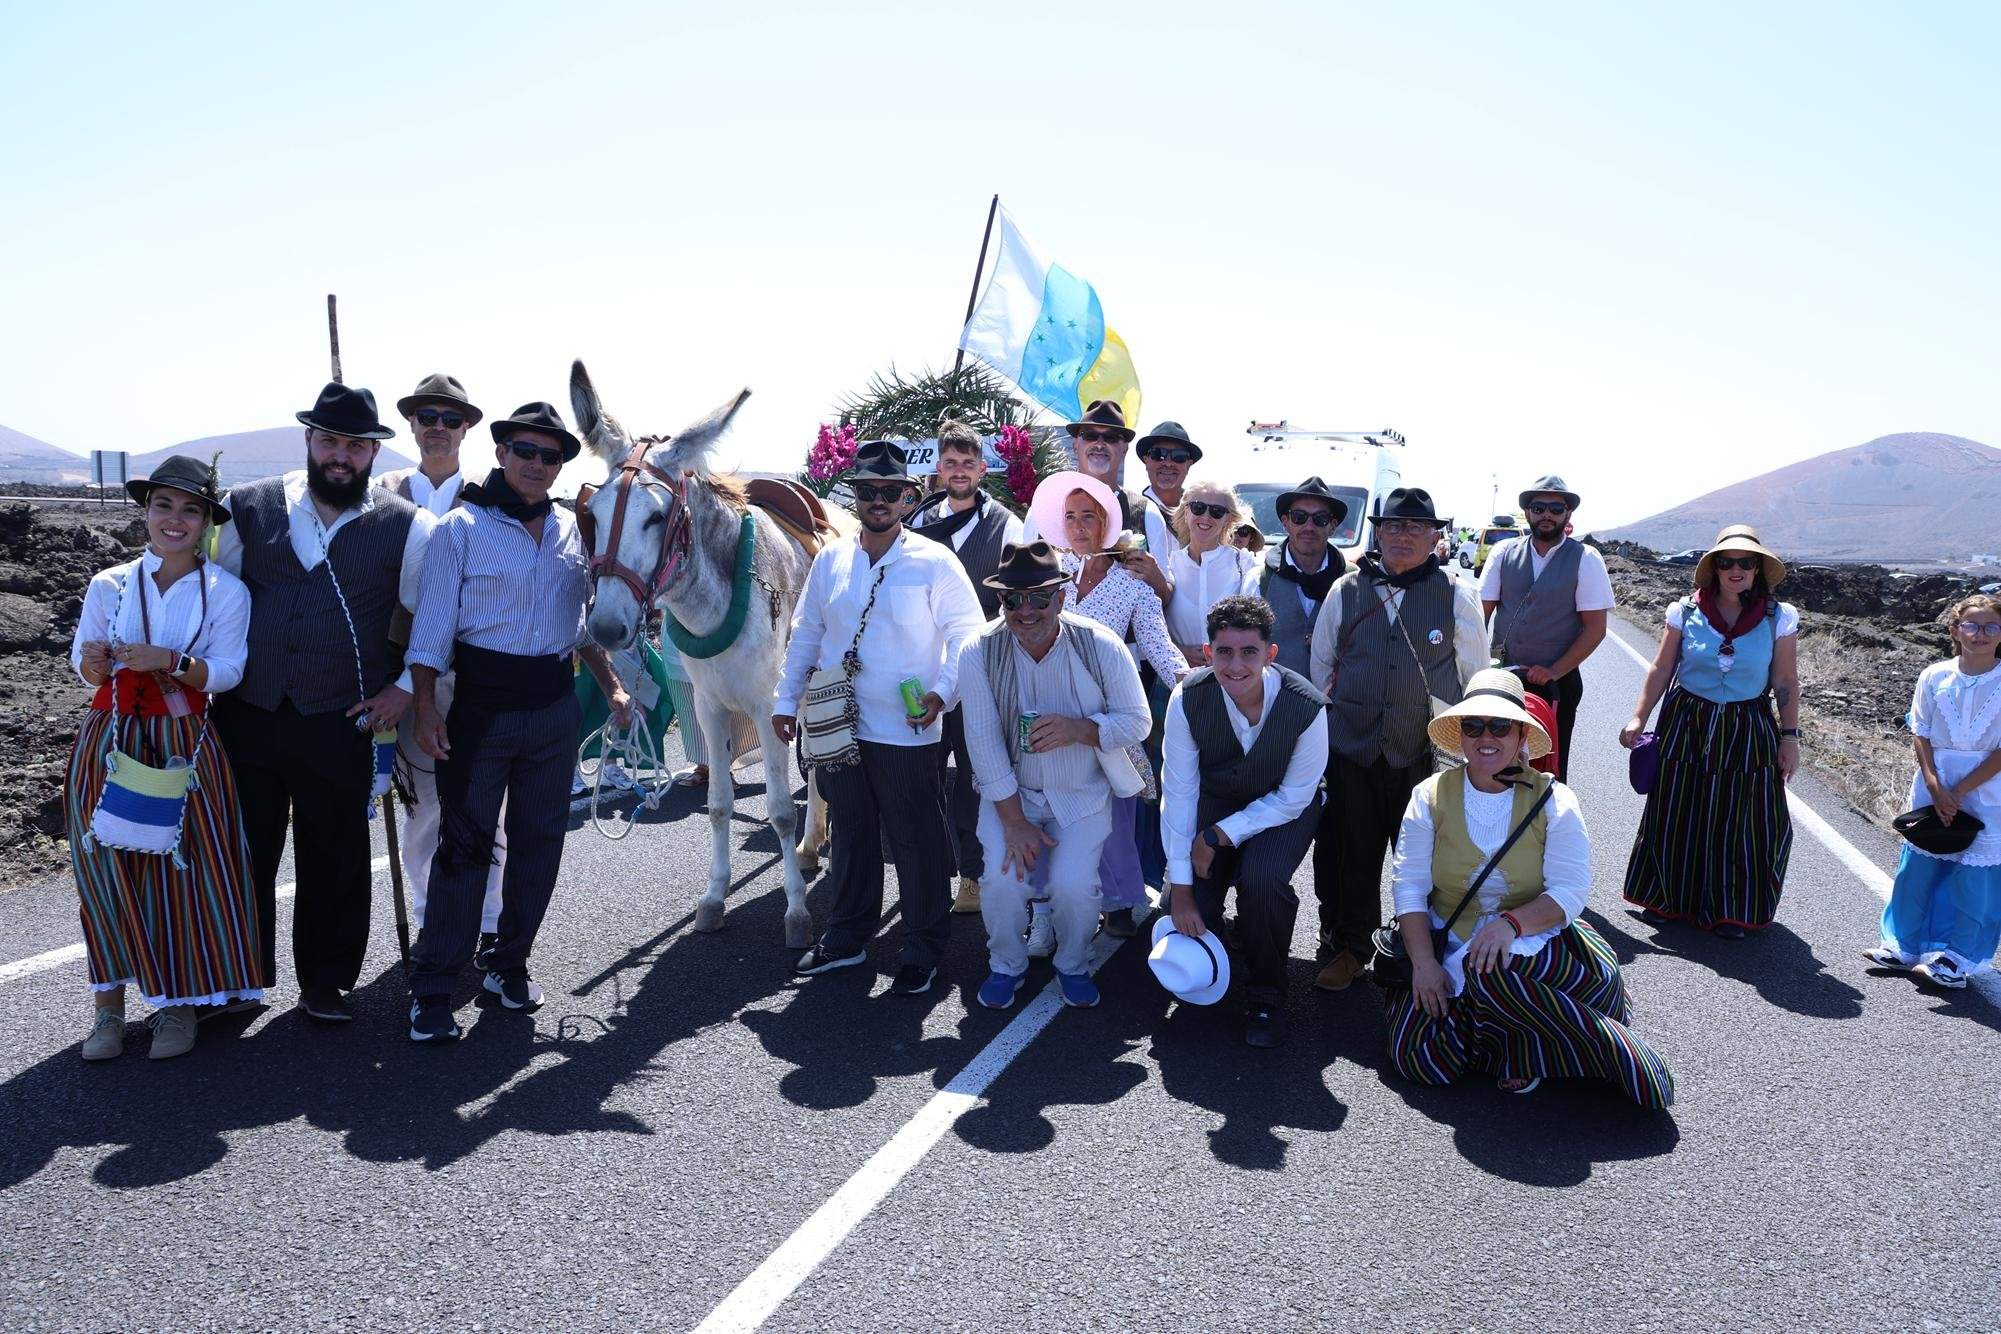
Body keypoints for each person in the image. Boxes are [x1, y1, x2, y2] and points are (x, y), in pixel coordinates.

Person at [404, 402, 631, 1041]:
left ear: (560, 465)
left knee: (539, 847)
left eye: (550, 455)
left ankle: (508, 964)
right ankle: (434, 989)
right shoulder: (460, 528)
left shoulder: (568, 528)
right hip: (482, 710)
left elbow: (579, 623)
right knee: (465, 850)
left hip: (554, 710)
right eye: (525, 451)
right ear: (501, 453)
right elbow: (430, 632)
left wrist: (611, 686)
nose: (536, 464)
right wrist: (425, 708)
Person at [211, 382, 433, 1024]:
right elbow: (213, 594)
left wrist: (400, 689)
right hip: (247, 712)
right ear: (308, 439)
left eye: (356, 445)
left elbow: (430, 616)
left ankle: (327, 982)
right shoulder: (245, 508)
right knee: (243, 849)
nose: (341, 456)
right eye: (330, 440)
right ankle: (236, 981)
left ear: (373, 452)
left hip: (342, 717)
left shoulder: (408, 526)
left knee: (334, 853)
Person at [1384, 670, 1674, 1105]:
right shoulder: (1428, 795)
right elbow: (1408, 887)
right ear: (1461, 736)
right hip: (1448, 938)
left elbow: (1570, 891)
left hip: (1531, 942)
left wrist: (1510, 925)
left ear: (1522, 735)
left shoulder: (1555, 800)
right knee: (1421, 1063)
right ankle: (1524, 1036)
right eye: (1474, 725)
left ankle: (1570, 1051)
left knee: (1492, 972)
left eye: (1501, 726)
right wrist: (1424, 964)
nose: (1487, 737)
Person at [67, 456, 262, 1061]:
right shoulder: (111, 583)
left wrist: (171, 662)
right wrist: (96, 663)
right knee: (103, 868)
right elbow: (83, 664)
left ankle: (177, 1006)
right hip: (111, 738)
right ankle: (107, 1010)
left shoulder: (226, 591)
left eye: (190, 509)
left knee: (180, 871)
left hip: (184, 742)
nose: (174, 520)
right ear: (145, 512)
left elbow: (229, 670)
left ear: (207, 522)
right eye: (163, 506)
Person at [773, 441, 986, 996]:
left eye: (890, 492)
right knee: (851, 832)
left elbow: (968, 635)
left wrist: (942, 693)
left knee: (917, 839)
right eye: (868, 491)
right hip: (840, 726)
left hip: (909, 728)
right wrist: (783, 700)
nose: (879, 500)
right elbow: (807, 635)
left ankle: (922, 948)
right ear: (857, 496)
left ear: (908, 498)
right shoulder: (832, 558)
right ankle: (847, 937)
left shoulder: (935, 561)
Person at [1307, 487, 1486, 992]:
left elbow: (1475, 675)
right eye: (1392, 526)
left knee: (1424, 860)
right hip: (1353, 747)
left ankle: (1423, 956)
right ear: (1377, 532)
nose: (1402, 536)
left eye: (1415, 528)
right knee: (1352, 854)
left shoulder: (1456, 595)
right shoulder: (1345, 590)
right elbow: (1323, 665)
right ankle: (1350, 947)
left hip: (1424, 753)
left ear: (1435, 538)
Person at [958, 541, 1151, 1009]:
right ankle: (1006, 964)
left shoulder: (1099, 644)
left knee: (1075, 889)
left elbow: (1138, 720)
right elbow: (982, 743)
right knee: (1001, 885)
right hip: (1012, 794)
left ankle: (1072, 964)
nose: (1025, 610)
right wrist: (1014, 822)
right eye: (1012, 599)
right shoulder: (978, 650)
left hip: (1081, 792)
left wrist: (1080, 729)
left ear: (1061, 599)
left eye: (1039, 598)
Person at [374, 373, 505, 969]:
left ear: (467, 427)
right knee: (424, 808)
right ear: (412, 424)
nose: (438, 427)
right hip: (404, 685)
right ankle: (429, 918)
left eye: (450, 418)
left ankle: (490, 922)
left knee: (483, 808)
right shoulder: (381, 495)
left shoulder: (490, 497)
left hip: (475, 680)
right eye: (427, 416)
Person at [1028, 471, 1189, 943]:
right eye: (1071, 517)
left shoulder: (1135, 585)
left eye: (1089, 517)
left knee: (1112, 816)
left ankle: (1118, 901)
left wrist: (1200, 687)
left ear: (1107, 522)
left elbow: (1161, 652)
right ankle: (1044, 913)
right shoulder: (1049, 576)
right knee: (1045, 813)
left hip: (1101, 717)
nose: (1078, 526)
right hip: (1044, 712)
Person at [1162, 595, 1329, 1048]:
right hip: (1215, 799)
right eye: (1224, 652)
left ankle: (1266, 992)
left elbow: (1295, 797)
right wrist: (1180, 889)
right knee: (1190, 895)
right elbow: (1178, 792)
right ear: (1207, 652)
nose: (1235, 665)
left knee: (1262, 881)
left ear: (1270, 654)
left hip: (1283, 809)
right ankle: (1209, 969)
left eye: (1249, 652)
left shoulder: (1307, 706)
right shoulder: (1188, 697)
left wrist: (1218, 835)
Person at [1620, 525, 1800, 938]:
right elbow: (1662, 668)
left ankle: (1731, 908)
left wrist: (1789, 737)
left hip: (1747, 724)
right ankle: (1666, 899)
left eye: (1746, 563)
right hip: (1687, 720)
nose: (1736, 570)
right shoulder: (1683, 611)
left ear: (1758, 570)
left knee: (1743, 818)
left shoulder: (1779, 617)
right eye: (1727, 562)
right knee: (1676, 808)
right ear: (1714, 568)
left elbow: (1786, 680)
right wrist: (1639, 718)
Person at [908, 419, 1024, 915]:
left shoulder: (1008, 526)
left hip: (981, 673)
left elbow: (1014, 600)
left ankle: (973, 877)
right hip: (926, 674)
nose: (958, 471)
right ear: (939, 468)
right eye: (950, 463)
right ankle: (934, 871)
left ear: (982, 468)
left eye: (967, 463)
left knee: (977, 778)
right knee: (925, 776)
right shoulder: (916, 524)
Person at [1866, 595, 2001, 989]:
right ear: (1955, 630)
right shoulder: (1934, 676)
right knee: (1918, 867)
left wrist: (1958, 792)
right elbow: (1920, 730)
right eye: (1972, 625)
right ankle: (1902, 946)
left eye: (1991, 626)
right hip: (1934, 781)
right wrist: (1934, 785)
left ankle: (1961, 958)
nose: (1980, 634)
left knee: (1975, 878)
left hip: (1988, 789)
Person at [1480, 474, 1613, 782]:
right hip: (1505, 678)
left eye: (1556, 508)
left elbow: (1595, 629)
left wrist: (1555, 670)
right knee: (1494, 766)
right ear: (1528, 512)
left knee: (1548, 770)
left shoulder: (1586, 558)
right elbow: (1480, 616)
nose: (1547, 515)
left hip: (1557, 685)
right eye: (1539, 507)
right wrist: (1478, 668)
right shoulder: (1503, 553)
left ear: (1568, 514)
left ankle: (1545, 827)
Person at [1023, 401, 1173, 604]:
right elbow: (1023, 588)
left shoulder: (1146, 513)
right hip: (1057, 635)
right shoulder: (1041, 512)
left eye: (1111, 437)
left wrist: (1156, 579)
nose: (1100, 444)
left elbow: (1166, 598)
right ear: (1076, 444)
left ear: (1124, 449)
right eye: (1090, 436)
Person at [1256, 476, 1349, 678]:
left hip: (1336, 704)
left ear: (1332, 526)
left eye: (1320, 519)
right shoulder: (1259, 579)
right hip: (1275, 702)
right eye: (1299, 517)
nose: (1309, 526)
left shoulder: (1353, 581)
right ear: (1285, 522)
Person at [1164, 481, 1260, 664]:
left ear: (1228, 519)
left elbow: (1256, 629)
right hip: (1177, 677)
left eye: (1217, 512)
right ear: (1186, 512)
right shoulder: (1168, 564)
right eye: (1198, 508)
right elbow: (1151, 625)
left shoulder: (1245, 565)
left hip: (1230, 679)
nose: (1206, 517)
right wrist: (1179, 651)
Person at [1136, 420, 1200, 544]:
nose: (1168, 463)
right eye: (1158, 454)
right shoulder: (1129, 511)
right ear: (1146, 461)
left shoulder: (1202, 513)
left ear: (1188, 465)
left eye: (1179, 456)